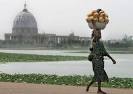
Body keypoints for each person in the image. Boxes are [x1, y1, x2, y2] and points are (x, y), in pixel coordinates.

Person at [86, 29, 116, 94]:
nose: (100, 34)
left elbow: (105, 52)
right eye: (99, 33)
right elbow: (95, 35)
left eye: (100, 33)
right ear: (95, 34)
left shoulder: (101, 43)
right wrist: (94, 25)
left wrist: (112, 59)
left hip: (101, 61)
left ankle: (98, 90)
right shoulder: (94, 41)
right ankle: (90, 86)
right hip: (95, 61)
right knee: (97, 75)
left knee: (100, 75)